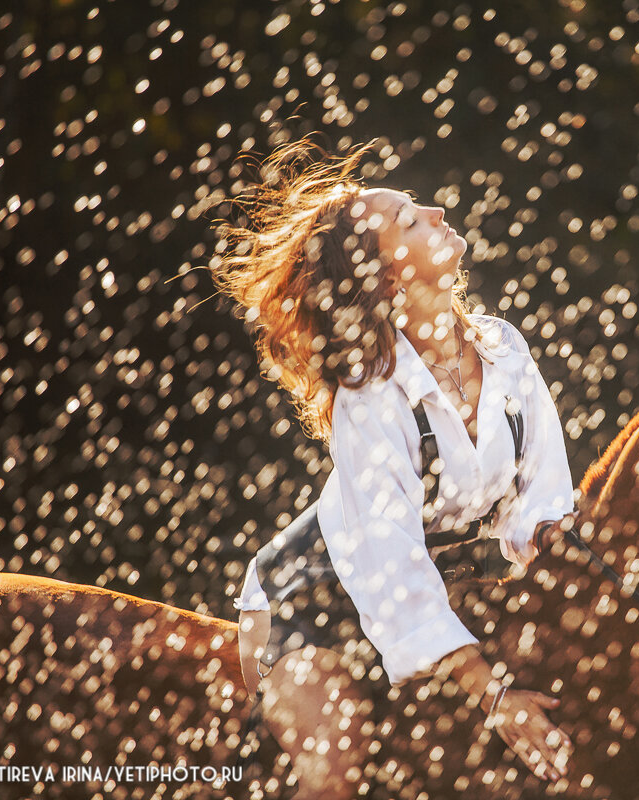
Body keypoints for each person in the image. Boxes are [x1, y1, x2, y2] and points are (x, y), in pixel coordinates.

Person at [212, 141, 575, 796]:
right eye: (411, 221)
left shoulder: (506, 349)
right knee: (334, 771)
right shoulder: (372, 397)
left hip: (452, 583)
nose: (437, 210)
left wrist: (551, 539)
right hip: (313, 604)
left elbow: (544, 500)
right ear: (387, 278)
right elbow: (397, 574)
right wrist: (493, 696)